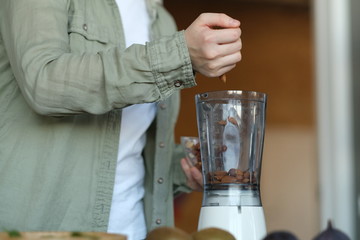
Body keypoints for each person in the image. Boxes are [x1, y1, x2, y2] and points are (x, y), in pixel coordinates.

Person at [0, 0, 242, 239]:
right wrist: (177, 55)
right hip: (45, 229)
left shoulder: (161, 19)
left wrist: (190, 166)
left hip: (135, 228)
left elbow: (130, 150)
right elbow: (44, 85)